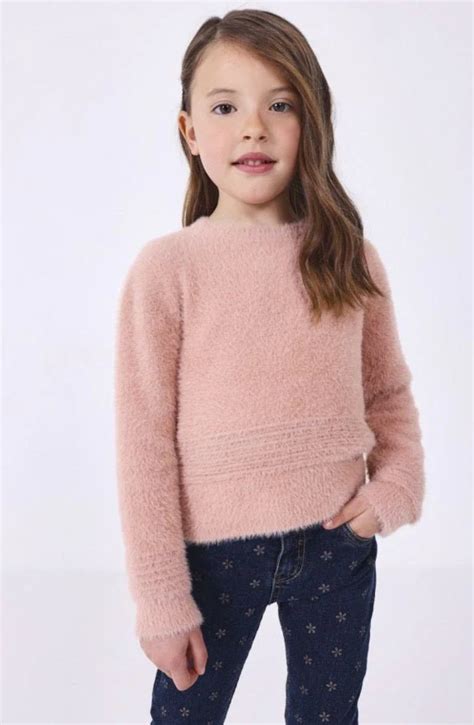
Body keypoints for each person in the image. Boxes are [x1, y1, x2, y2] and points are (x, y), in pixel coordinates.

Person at [114, 9, 426, 724]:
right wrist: (161, 599)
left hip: (337, 543)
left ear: (310, 122)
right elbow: (143, 446)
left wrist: (396, 489)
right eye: (226, 107)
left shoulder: (349, 258)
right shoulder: (167, 271)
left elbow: (387, 394)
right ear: (190, 130)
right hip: (213, 558)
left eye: (280, 105)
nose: (253, 128)